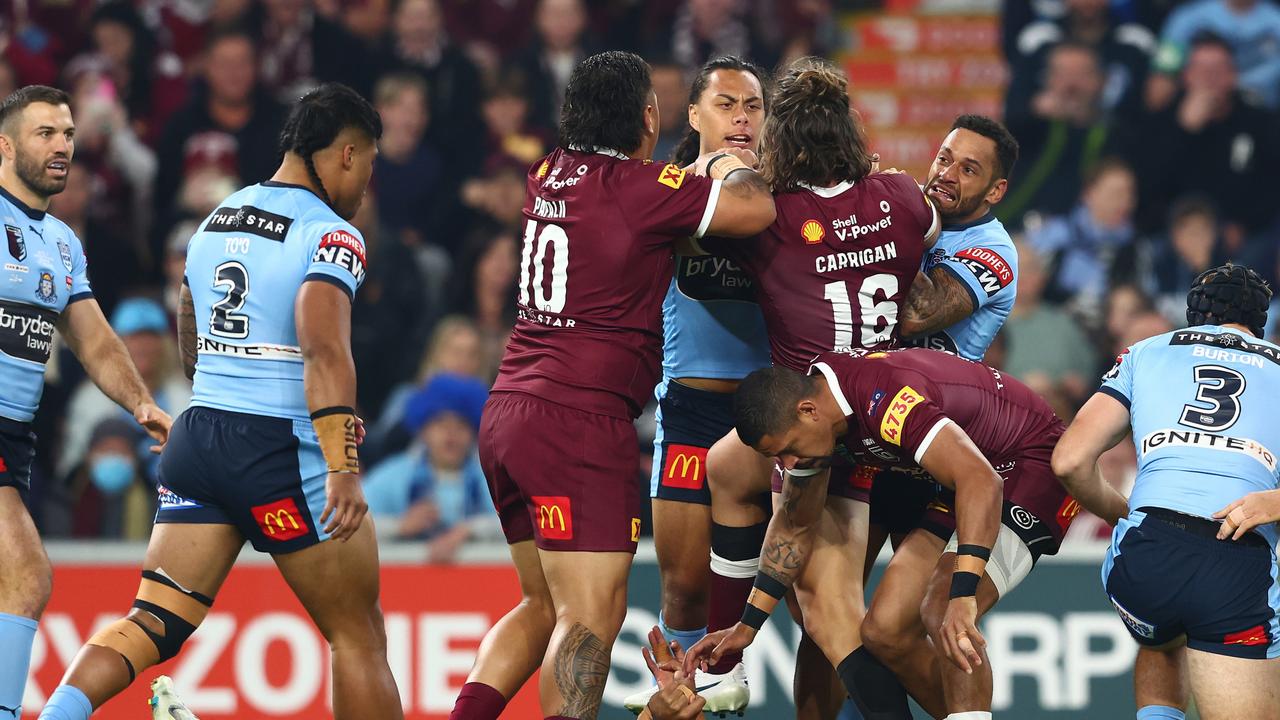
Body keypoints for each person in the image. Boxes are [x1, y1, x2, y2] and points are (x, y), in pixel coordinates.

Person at [37, 83, 403, 720]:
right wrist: (342, 465)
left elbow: (188, 315)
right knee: (358, 635)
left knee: (151, 620)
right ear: (346, 153)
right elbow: (324, 348)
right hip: (281, 449)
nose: (367, 185)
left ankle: (57, 715)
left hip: (199, 436)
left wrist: (216, 391)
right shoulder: (332, 235)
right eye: (369, 163)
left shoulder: (218, 214)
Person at [447, 50, 775, 720]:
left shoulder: (546, 172)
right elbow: (756, 212)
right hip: (579, 425)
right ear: (651, 117)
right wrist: (722, 165)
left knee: (541, 606)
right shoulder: (642, 190)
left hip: (509, 410)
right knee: (590, 615)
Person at [692, 58, 940, 720]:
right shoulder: (905, 197)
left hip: (825, 428)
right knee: (726, 464)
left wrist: (725, 163)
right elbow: (932, 230)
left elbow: (707, 199)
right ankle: (728, 675)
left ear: (784, 144)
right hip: (897, 411)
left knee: (833, 620)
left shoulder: (770, 216)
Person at [689, 347, 1094, 720]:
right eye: (777, 457)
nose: (788, 462)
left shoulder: (885, 399)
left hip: (1027, 466)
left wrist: (964, 593)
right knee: (883, 632)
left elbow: (982, 481)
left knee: (942, 608)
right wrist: (748, 626)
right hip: (958, 482)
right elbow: (794, 528)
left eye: (788, 449)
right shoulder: (818, 427)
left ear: (808, 410)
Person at [0, 85, 172, 720]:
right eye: (45, 133)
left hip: (15, 439)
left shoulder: (62, 244)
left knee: (19, 579)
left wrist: (143, 405)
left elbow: (95, 341)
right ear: (5, 145)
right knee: (25, 575)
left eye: (68, 134)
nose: (62, 146)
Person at [1052, 263, 1280, 720]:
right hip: (1234, 557)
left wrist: (1127, 514)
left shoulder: (1147, 351)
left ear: (1192, 316)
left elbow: (1069, 461)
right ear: (1261, 322)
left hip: (1143, 554)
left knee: (1163, 635)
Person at [852, 114, 1021, 719]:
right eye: (945, 158)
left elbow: (918, 312)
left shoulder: (991, 251)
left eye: (968, 169)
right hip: (866, 432)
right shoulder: (922, 219)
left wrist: (887, 224)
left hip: (931, 452)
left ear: (995, 191)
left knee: (930, 614)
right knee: (833, 616)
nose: (946, 175)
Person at [621, 55, 770, 717]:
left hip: (772, 415)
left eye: (754, 106)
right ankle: (683, 694)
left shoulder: (785, 198)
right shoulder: (667, 190)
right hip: (689, 408)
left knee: (798, 595)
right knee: (683, 588)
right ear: (694, 115)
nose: (741, 117)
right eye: (727, 104)